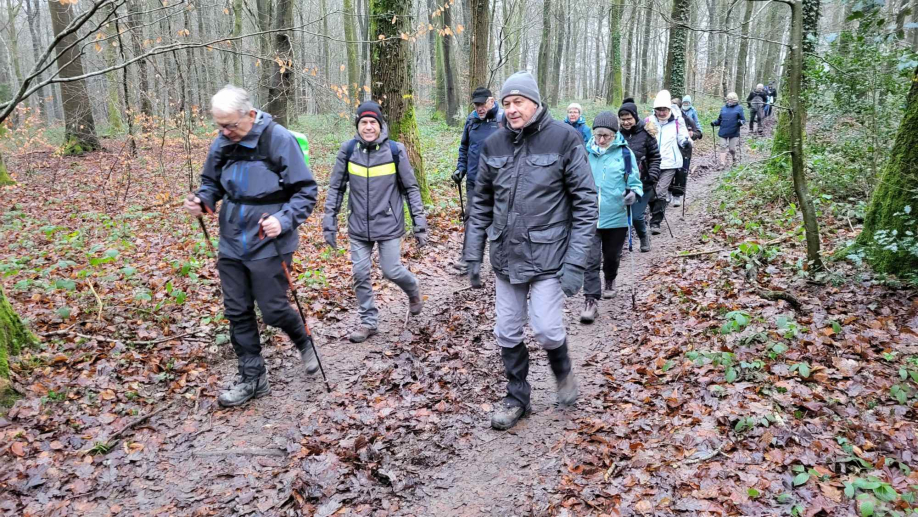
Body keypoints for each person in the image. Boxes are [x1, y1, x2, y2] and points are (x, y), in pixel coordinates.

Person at [465, 71, 597, 431]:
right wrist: (472, 253)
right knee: (506, 330)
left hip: (549, 257)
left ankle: (564, 373)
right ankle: (517, 397)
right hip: (506, 259)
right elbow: (481, 204)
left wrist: (575, 263)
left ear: (535, 102)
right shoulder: (494, 144)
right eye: (506, 103)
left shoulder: (565, 139)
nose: (511, 109)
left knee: (547, 328)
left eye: (518, 101)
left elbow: (586, 203)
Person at [183, 85, 319, 408]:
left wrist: (283, 220)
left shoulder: (278, 139)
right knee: (237, 310)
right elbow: (211, 184)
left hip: (270, 239)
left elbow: (306, 191)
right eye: (220, 126)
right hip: (231, 237)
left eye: (231, 125)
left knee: (272, 310)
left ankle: (304, 340)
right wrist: (202, 201)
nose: (225, 132)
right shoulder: (222, 143)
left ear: (250, 114)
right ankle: (253, 378)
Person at [322, 101, 428, 343]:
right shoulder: (348, 151)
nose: (368, 127)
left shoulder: (395, 150)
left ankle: (412, 289)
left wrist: (419, 225)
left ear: (381, 125)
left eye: (373, 122)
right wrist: (329, 223)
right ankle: (369, 322)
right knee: (360, 273)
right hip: (358, 225)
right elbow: (336, 188)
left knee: (391, 270)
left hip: (388, 223)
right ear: (357, 125)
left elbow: (411, 188)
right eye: (363, 122)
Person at [579, 112, 642, 324]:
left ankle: (610, 279)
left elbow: (635, 182)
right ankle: (590, 301)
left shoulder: (625, 154)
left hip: (616, 216)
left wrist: (633, 193)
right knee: (590, 259)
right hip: (589, 217)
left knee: (612, 256)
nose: (602, 139)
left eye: (606, 135)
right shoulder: (584, 153)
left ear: (614, 134)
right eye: (598, 135)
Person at [451, 87, 503, 274]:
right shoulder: (471, 120)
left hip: (498, 182)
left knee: (500, 221)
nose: (479, 108)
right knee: (472, 219)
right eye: (476, 104)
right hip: (474, 180)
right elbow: (464, 147)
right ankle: (468, 260)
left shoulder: (502, 121)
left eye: (482, 104)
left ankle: (502, 261)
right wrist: (460, 168)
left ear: (491, 101)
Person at [618, 98, 660, 252]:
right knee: (622, 217)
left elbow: (655, 157)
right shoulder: (617, 135)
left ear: (635, 117)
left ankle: (643, 237)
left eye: (629, 118)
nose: (626, 122)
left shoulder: (647, 133)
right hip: (624, 182)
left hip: (644, 181)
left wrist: (653, 175)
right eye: (623, 120)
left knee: (636, 216)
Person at [644, 90, 688, 235]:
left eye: (664, 109)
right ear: (655, 110)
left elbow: (683, 136)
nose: (662, 113)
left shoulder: (677, 120)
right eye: (659, 110)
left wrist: (686, 142)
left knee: (661, 192)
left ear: (669, 109)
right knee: (650, 193)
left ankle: (655, 222)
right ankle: (654, 211)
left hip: (670, 162)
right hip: (652, 162)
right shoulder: (648, 121)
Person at [668, 98, 701, 208]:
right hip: (669, 151)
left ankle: (677, 195)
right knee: (668, 171)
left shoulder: (686, 119)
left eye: (674, 106)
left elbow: (699, 133)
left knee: (681, 173)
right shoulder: (665, 120)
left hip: (684, 151)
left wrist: (693, 135)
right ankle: (668, 191)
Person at [712, 92, 746, 169]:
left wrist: (741, 122)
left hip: (734, 132)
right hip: (723, 131)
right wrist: (714, 123)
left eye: (731, 99)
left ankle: (734, 159)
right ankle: (722, 164)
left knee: (732, 149)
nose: (729, 101)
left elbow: (743, 119)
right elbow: (720, 120)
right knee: (722, 146)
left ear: (735, 100)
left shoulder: (739, 108)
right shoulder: (723, 108)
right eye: (728, 99)